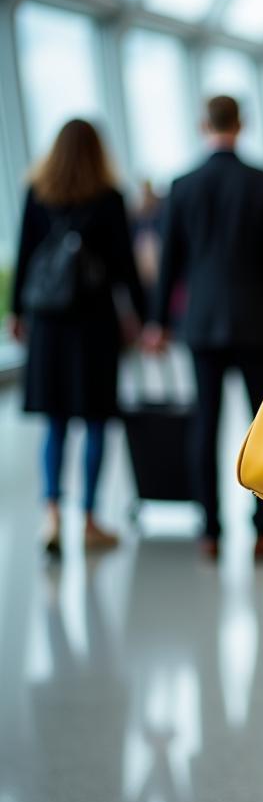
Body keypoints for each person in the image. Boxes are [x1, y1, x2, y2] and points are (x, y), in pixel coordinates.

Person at [143, 96, 263, 560]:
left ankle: (208, 531)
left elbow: (169, 259)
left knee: (205, 426)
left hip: (202, 323)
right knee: (262, 426)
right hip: (255, 322)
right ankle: (261, 530)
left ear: (202, 125)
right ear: (242, 124)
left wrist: (156, 322)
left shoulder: (183, 185)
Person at [9, 118, 147, 556]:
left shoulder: (37, 193)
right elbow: (125, 266)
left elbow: (25, 256)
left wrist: (17, 311)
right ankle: (87, 518)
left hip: (48, 323)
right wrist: (144, 317)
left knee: (54, 421)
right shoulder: (108, 198)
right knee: (95, 421)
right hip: (93, 324)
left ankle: (50, 515)